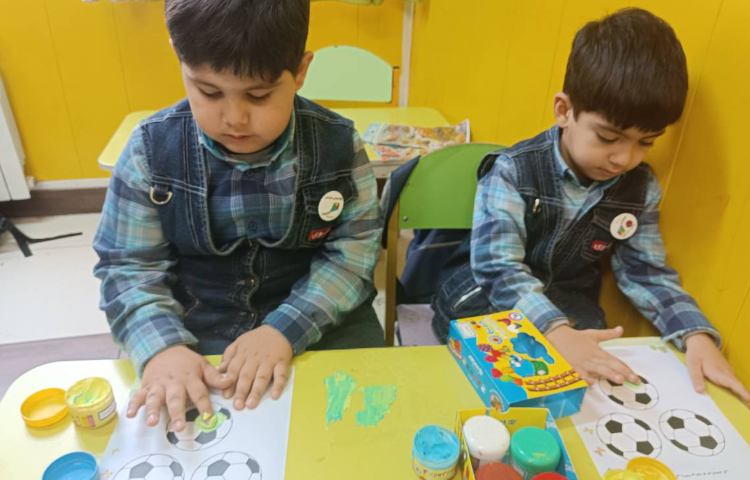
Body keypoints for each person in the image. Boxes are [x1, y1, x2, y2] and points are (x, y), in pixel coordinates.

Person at [431, 8, 750, 404]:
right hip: (485, 306)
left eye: (646, 142)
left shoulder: (640, 188)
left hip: (573, 313)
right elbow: (498, 268)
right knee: (488, 398)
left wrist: (695, 334)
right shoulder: (512, 170)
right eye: (608, 138)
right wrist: (555, 331)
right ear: (564, 111)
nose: (624, 158)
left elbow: (645, 272)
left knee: (583, 406)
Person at [93, 0, 383, 431]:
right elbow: (128, 266)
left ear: (300, 71)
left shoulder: (338, 144)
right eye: (209, 92)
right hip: (196, 332)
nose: (234, 118)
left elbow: (353, 255)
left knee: (358, 428)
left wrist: (285, 329)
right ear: (179, 57)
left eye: (259, 95)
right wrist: (162, 347)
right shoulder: (149, 152)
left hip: (319, 317)